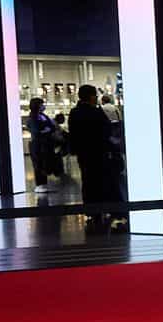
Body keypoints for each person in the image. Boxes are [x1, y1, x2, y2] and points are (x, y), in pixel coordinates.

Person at [67, 84, 115, 230]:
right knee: (100, 180)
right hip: (98, 152)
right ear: (91, 96)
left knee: (87, 180)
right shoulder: (95, 112)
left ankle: (90, 210)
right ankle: (102, 208)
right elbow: (106, 129)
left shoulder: (74, 112)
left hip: (84, 153)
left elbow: (73, 133)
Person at [26, 97, 61, 190]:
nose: (43, 106)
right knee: (39, 164)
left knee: (45, 163)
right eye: (41, 104)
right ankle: (40, 184)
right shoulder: (32, 117)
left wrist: (46, 130)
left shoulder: (43, 116)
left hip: (46, 144)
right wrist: (46, 129)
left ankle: (44, 184)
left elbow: (52, 127)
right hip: (38, 144)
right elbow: (37, 131)